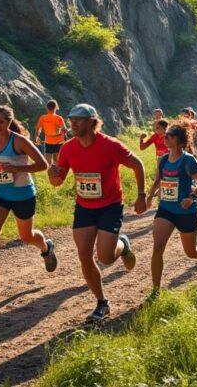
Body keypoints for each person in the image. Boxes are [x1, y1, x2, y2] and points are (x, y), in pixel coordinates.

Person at [48, 104, 144, 322]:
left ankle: (124, 244)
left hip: (110, 205)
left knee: (106, 257)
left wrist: (141, 194)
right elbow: (58, 181)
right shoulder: (68, 148)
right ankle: (102, 302)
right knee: (84, 255)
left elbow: (137, 164)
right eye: (71, 119)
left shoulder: (109, 145)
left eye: (78, 120)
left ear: (92, 122)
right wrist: (51, 175)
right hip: (84, 207)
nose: (73, 124)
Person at [0, 106, 55, 310]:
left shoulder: (19, 141)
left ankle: (45, 247)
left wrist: (18, 168)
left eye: (1, 122)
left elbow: (43, 165)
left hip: (23, 193)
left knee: (26, 237)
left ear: (9, 121)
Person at [146, 121, 197, 291]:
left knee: (190, 252)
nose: (165, 137)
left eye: (169, 135)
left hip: (185, 211)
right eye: (166, 134)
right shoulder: (163, 160)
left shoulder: (188, 160)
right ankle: (155, 291)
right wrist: (148, 197)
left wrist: (192, 197)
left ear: (178, 140)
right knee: (158, 246)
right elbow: (157, 181)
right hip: (166, 209)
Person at [35, 100, 68, 165]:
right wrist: (65, 133)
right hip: (58, 141)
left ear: (47, 108)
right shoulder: (59, 118)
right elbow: (64, 129)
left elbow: (38, 129)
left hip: (48, 141)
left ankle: (50, 173)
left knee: (48, 160)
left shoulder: (42, 118)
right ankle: (57, 173)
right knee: (56, 160)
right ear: (55, 108)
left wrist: (36, 137)